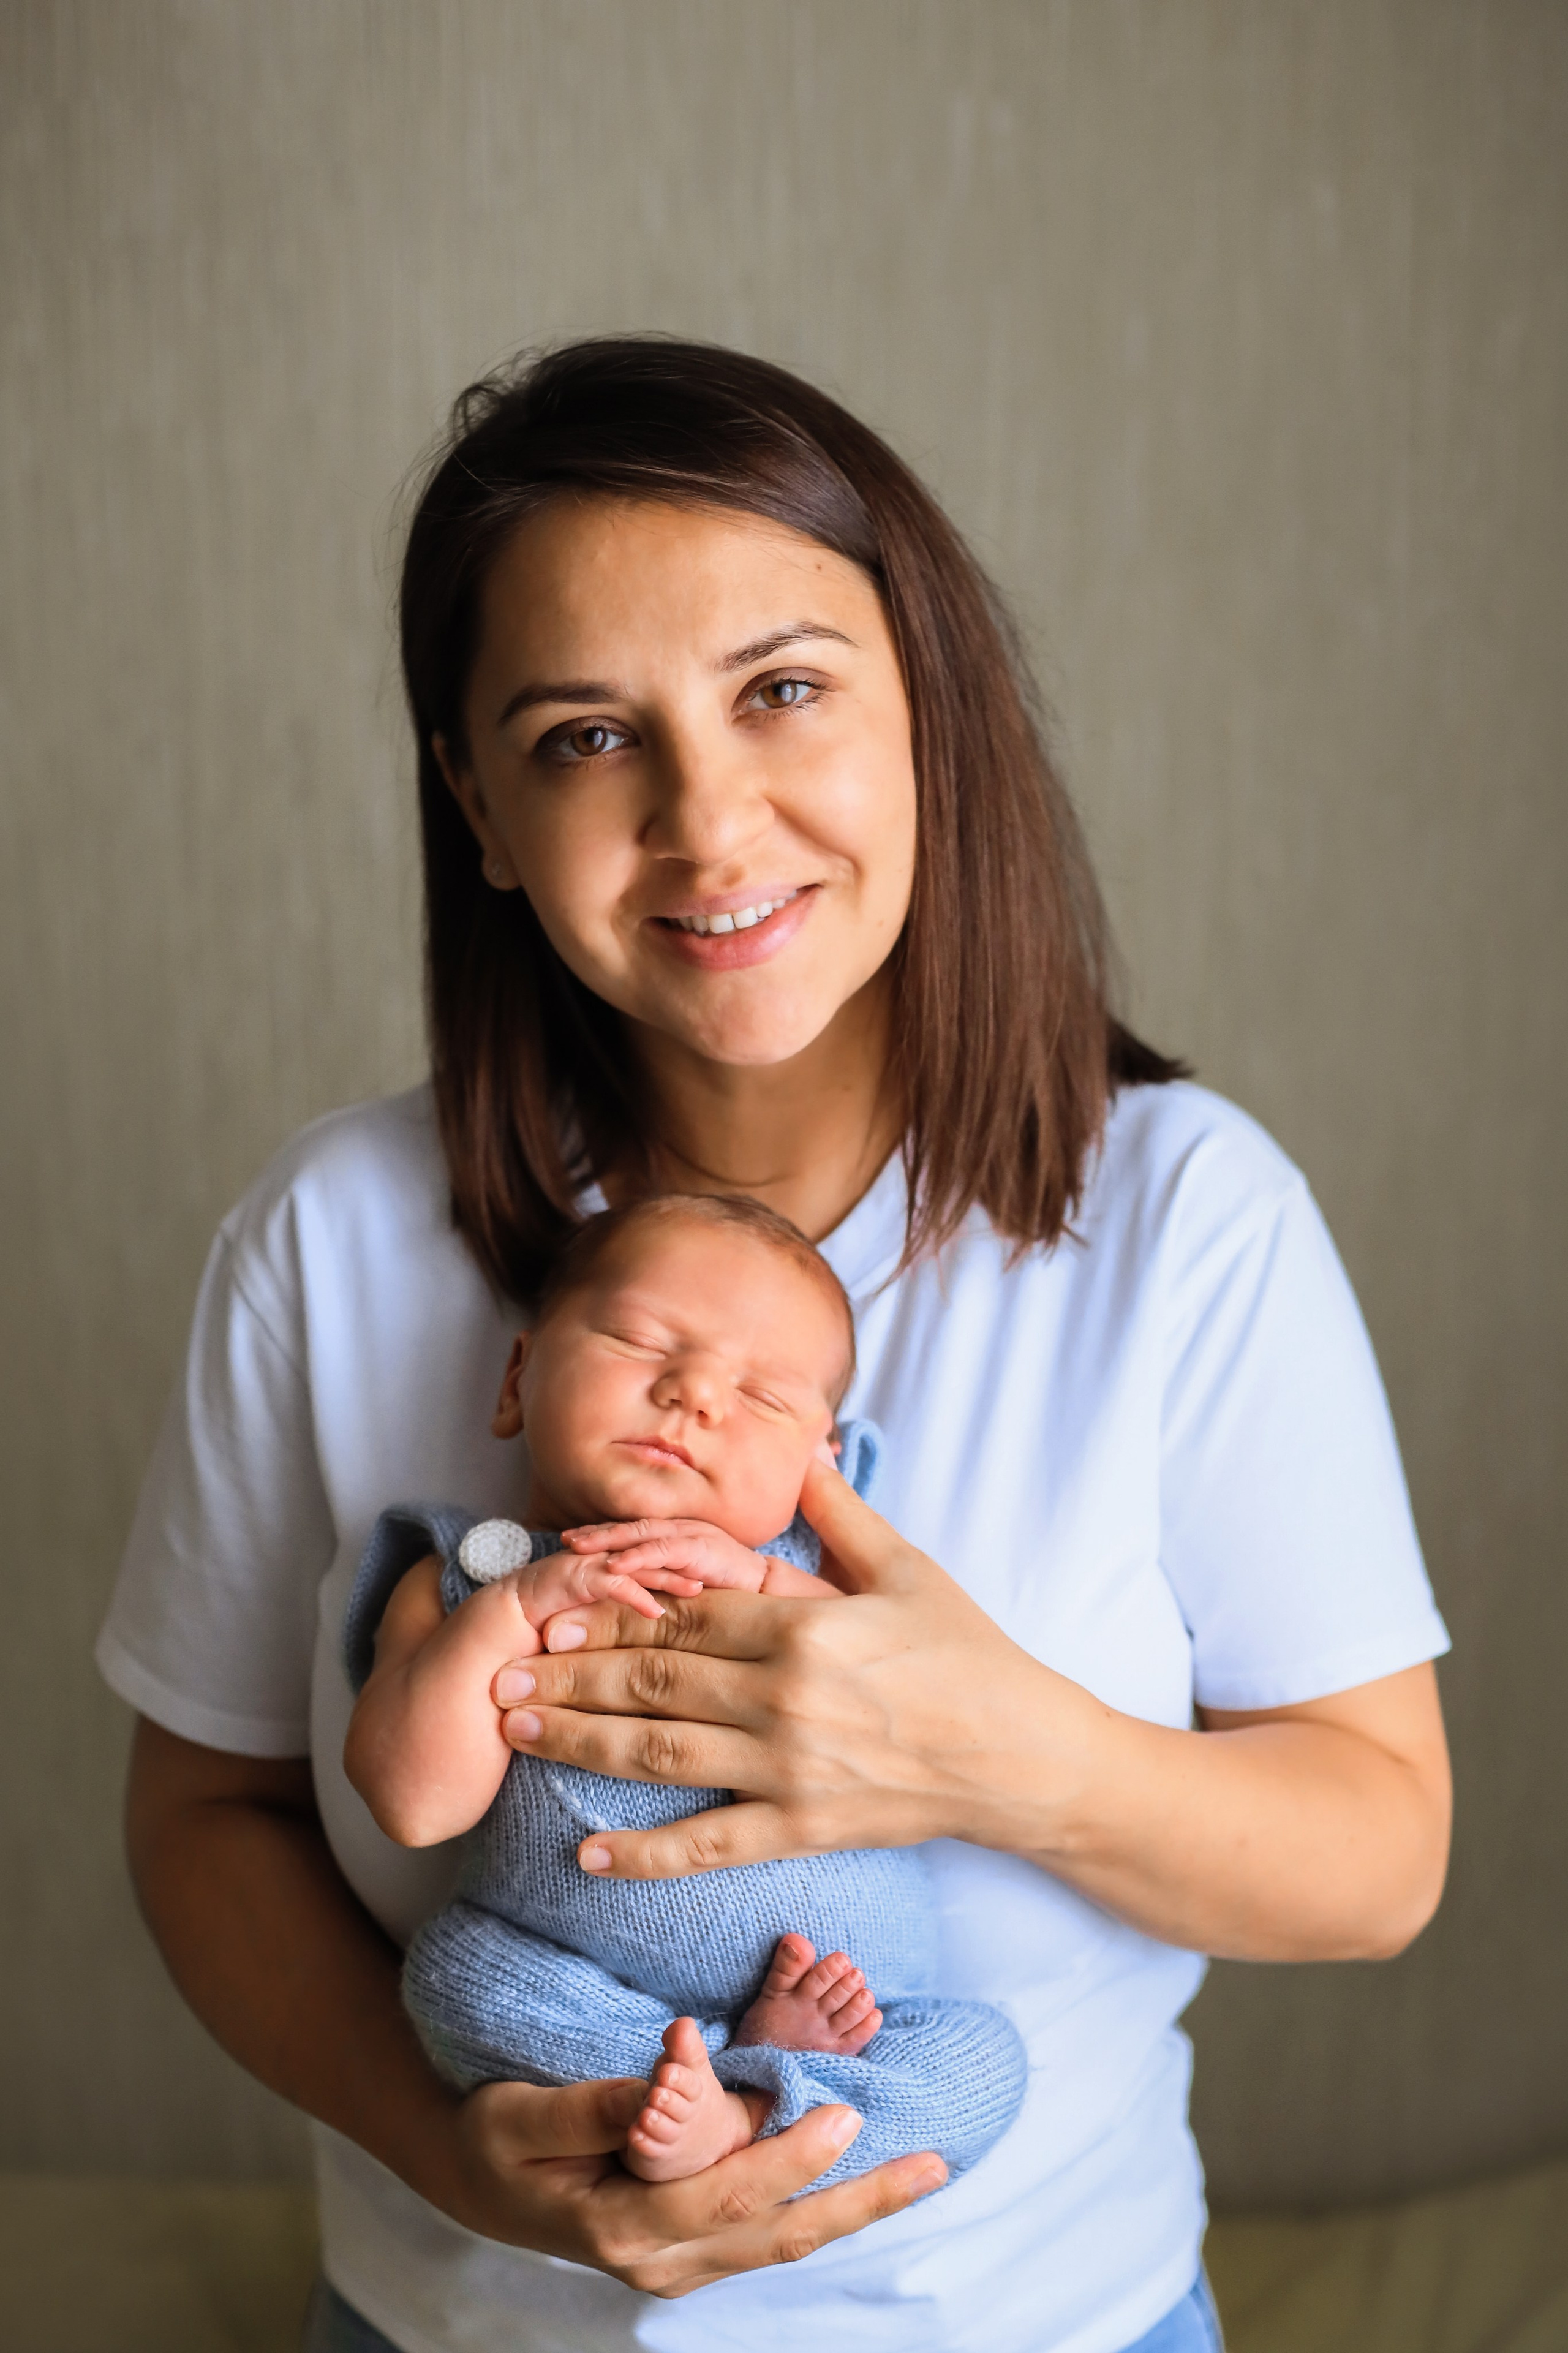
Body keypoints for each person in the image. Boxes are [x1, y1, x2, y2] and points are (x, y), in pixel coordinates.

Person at [100, 338, 1452, 2353]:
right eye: (580, 737)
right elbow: (203, 1822)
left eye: (784, 689)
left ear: (929, 714)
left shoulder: (1185, 1218)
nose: (708, 821)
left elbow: (1378, 1854)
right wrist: (456, 2147)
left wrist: (995, 1755)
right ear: (475, 804)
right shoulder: (329, 1240)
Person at [341, 1190, 1026, 2189]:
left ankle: (759, 2109)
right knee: (455, 1980)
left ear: (823, 1464)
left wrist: (761, 1581)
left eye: (763, 1397)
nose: (696, 1394)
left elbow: (922, 1687)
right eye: (635, 1339)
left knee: (987, 2063)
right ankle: (693, 2088)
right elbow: (413, 1804)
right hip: (592, 1996)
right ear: (517, 1378)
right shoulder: (460, 1583)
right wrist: (512, 1610)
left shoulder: (821, 1569)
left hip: (865, 2008)